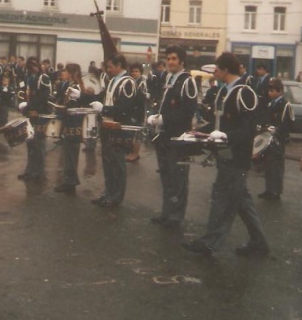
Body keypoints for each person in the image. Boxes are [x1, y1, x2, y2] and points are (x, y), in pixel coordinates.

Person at [182, 52, 269, 257]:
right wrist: (201, 132)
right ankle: (259, 243)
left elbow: (249, 129)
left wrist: (226, 136)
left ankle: (210, 243)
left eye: (218, 70)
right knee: (240, 200)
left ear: (226, 70)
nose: (215, 74)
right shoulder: (224, 92)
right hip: (226, 155)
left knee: (222, 198)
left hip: (236, 157)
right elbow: (217, 123)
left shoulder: (243, 93)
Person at [147, 45, 198, 228]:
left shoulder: (187, 81)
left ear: (182, 61)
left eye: (174, 59)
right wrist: (157, 118)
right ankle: (166, 213)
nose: (170, 62)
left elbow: (188, 111)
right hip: (164, 137)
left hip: (178, 138)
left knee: (178, 179)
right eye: (168, 59)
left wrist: (164, 120)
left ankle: (175, 216)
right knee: (167, 176)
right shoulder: (169, 78)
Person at [91, 54, 137, 207]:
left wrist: (105, 109)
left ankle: (116, 196)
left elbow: (125, 109)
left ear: (119, 65)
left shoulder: (128, 82)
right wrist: (82, 96)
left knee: (117, 163)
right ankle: (108, 192)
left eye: (111, 66)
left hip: (118, 129)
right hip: (107, 127)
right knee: (108, 162)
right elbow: (100, 97)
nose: (108, 70)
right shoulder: (112, 81)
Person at [53, 63, 93, 194]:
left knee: (71, 154)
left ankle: (70, 183)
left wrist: (64, 108)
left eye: (67, 71)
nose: (65, 73)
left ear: (72, 73)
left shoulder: (76, 87)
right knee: (69, 154)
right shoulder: (72, 85)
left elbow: (74, 106)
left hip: (73, 123)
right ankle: (69, 181)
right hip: (71, 123)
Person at [17, 57, 53, 182]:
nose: (33, 68)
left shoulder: (43, 78)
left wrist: (29, 107)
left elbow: (44, 98)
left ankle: (39, 173)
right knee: (30, 143)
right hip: (31, 114)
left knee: (38, 144)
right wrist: (23, 105)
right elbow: (26, 93)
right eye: (31, 66)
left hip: (40, 114)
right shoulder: (30, 77)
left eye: (34, 65)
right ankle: (30, 170)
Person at [258, 78, 293, 200]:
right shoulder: (270, 103)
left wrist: (277, 129)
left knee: (277, 165)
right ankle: (269, 189)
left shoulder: (285, 105)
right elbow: (265, 119)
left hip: (278, 138)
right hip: (268, 137)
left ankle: (276, 191)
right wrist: (263, 127)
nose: (270, 93)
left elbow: (288, 123)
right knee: (268, 164)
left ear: (280, 91)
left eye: (273, 91)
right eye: (269, 90)